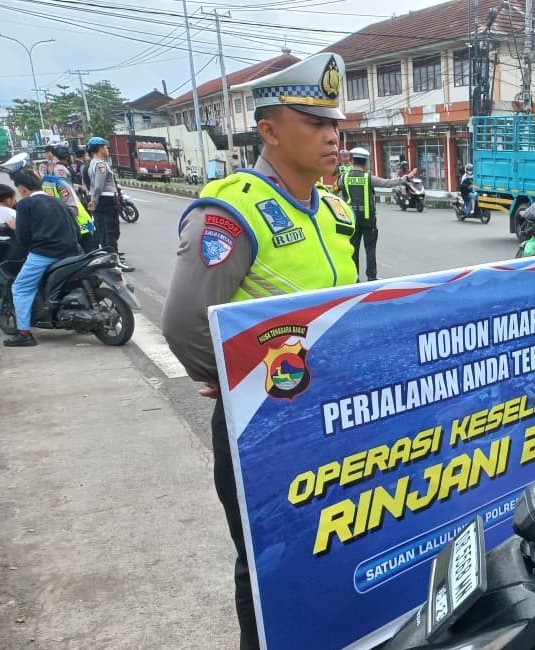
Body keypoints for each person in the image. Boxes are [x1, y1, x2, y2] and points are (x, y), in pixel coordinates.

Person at [162, 52, 356, 650]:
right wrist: (238, 385)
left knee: (335, 543)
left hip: (331, 418)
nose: (332, 135)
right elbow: (185, 325)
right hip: (264, 429)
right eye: (314, 122)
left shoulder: (335, 210)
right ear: (269, 130)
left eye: (335, 123)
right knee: (267, 562)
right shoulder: (232, 211)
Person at [3, 168, 82, 347]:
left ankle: (24, 333)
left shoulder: (25, 205)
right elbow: (75, 228)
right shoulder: (57, 201)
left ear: (22, 189)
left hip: (44, 254)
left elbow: (23, 237)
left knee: (20, 287)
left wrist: (15, 228)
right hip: (71, 251)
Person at [336, 146, 412, 282]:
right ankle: (371, 277)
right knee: (370, 249)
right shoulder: (368, 178)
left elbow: (333, 193)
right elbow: (388, 183)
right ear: (365, 162)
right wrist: (407, 177)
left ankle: (354, 278)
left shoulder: (343, 178)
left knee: (353, 250)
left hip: (351, 220)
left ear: (353, 161)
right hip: (368, 220)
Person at [85, 136, 130, 270]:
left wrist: (93, 200)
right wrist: (94, 201)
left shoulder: (92, 163)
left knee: (104, 231)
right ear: (99, 148)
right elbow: (98, 186)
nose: (107, 149)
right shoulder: (100, 165)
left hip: (102, 200)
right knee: (111, 231)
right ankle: (114, 262)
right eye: (105, 147)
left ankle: (109, 260)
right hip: (107, 200)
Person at [41, 167, 95, 253]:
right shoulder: (45, 184)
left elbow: (73, 209)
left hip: (80, 224)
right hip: (69, 228)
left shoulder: (56, 182)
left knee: (90, 254)